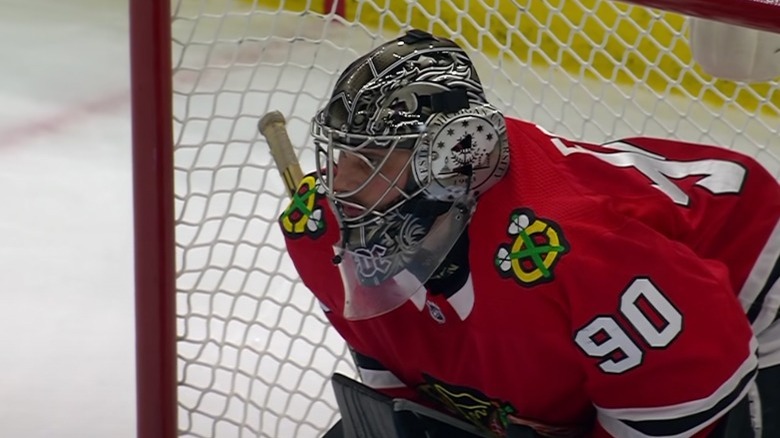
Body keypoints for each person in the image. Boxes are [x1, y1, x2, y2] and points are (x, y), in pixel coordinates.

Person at [276, 29, 780, 437]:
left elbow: (696, 383)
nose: (338, 184)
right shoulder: (320, 226)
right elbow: (406, 387)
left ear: (451, 158)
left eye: (370, 160)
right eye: (342, 155)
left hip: (753, 290)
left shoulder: (577, 250)